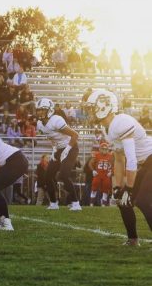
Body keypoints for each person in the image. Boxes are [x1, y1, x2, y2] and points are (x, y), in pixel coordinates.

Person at [84, 90, 152, 245]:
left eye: (92, 108)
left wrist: (129, 187)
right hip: (145, 162)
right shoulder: (107, 129)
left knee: (142, 200)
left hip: (150, 158)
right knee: (122, 199)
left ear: (104, 106)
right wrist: (119, 186)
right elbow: (120, 160)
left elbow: (131, 159)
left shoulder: (121, 122)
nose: (89, 112)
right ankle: (133, 239)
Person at [35, 98, 81, 211]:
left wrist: (67, 150)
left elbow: (75, 135)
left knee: (64, 175)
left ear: (49, 110)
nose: (40, 112)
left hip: (71, 147)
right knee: (47, 177)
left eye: (42, 110)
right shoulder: (40, 124)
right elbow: (52, 138)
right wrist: (54, 150)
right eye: (38, 110)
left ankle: (76, 203)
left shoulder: (56, 120)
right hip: (59, 149)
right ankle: (54, 203)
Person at [90, 141, 114, 206]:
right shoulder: (97, 155)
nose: (104, 150)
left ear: (107, 149)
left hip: (106, 175)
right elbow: (90, 163)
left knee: (106, 189)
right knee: (94, 188)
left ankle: (103, 204)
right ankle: (91, 203)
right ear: (100, 149)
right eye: (103, 149)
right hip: (98, 174)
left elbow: (114, 165)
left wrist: (111, 171)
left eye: (105, 149)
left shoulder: (110, 156)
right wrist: (93, 170)